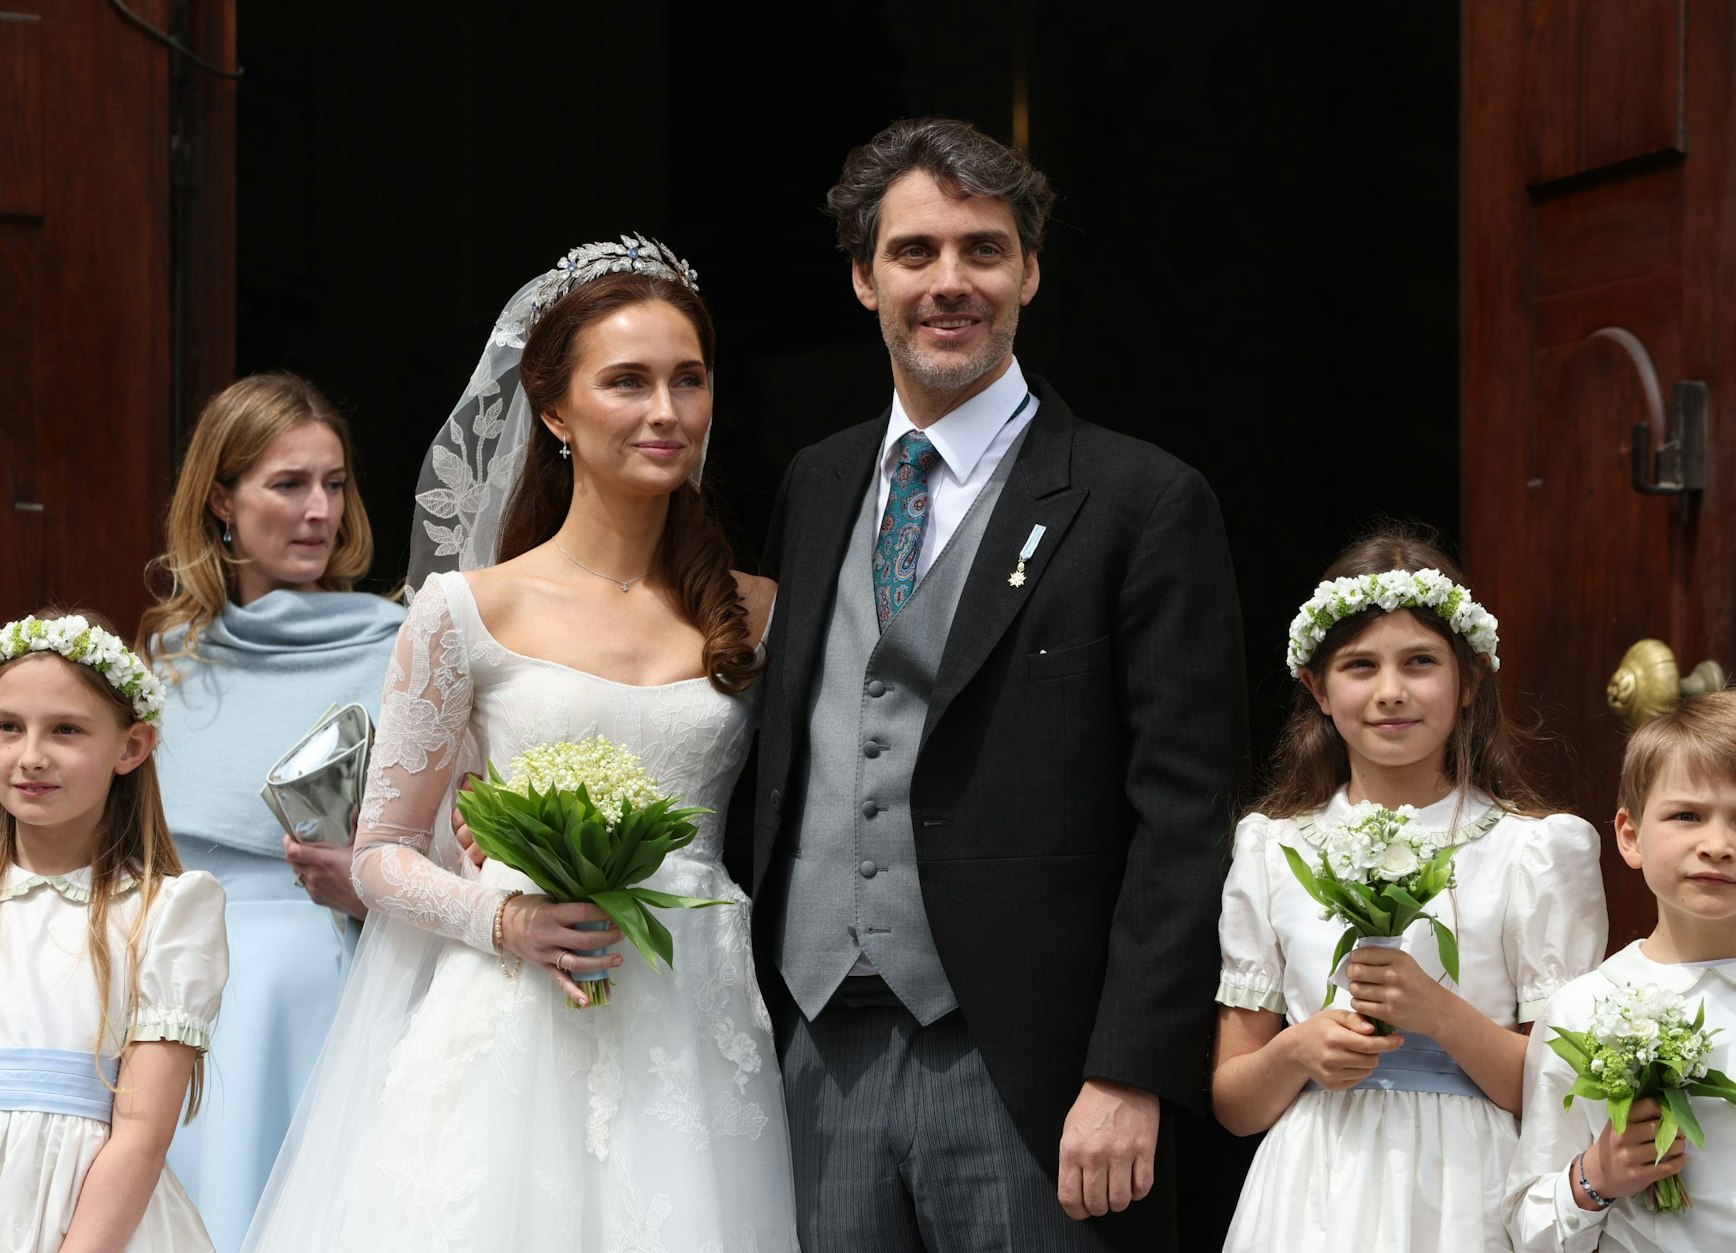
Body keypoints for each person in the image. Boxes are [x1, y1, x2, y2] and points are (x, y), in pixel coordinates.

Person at [732, 116, 1248, 1250]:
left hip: (1034, 1070)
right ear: (864, 278)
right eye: (914, 253)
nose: (949, 282)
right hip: (816, 1051)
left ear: (1029, 271)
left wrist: (1128, 1068)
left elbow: (1183, 814)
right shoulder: (815, 485)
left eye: (983, 249)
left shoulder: (1141, 502)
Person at [243, 235, 798, 1250]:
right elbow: (377, 853)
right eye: (626, 381)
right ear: (553, 409)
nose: (664, 412)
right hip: (512, 1021)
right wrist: (503, 917)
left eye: (688, 380)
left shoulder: (758, 611)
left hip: (694, 1009)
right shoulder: (465, 610)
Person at [1211, 528, 1609, 1251]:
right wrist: (1299, 1051)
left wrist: (1441, 1014)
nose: (1390, 691)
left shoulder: (1532, 849)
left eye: (1420, 662)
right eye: (1360, 665)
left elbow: (1563, 1097)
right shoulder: (1275, 847)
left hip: (1466, 1192)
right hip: (1314, 1193)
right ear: (1317, 688)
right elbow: (1235, 1102)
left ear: (1470, 681)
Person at [136, 372, 404, 1253]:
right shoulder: (167, 656)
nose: (319, 509)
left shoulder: (401, 642)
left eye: (333, 483)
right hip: (172, 981)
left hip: (327, 977)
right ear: (222, 498)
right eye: (289, 484)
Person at [0, 611, 227, 1251]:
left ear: (131, 747)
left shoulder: (165, 915)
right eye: (9, 727)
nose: (32, 756)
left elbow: (141, 1132)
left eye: (65, 730)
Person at [1505, 689, 1736, 1251]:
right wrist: (1595, 1177)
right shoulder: (1584, 1008)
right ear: (1630, 836)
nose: (1719, 845)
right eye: (1687, 815)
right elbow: (1527, 1226)